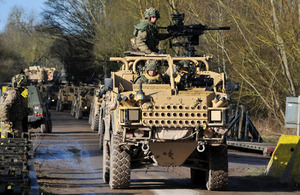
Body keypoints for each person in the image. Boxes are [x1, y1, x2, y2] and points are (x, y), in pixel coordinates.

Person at [0, 74, 28, 138]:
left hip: (15, 123)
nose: (24, 88)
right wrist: (6, 121)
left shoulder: (17, 94)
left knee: (16, 140)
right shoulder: (12, 93)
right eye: (23, 85)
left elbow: (18, 108)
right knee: (7, 141)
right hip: (9, 125)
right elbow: (4, 107)